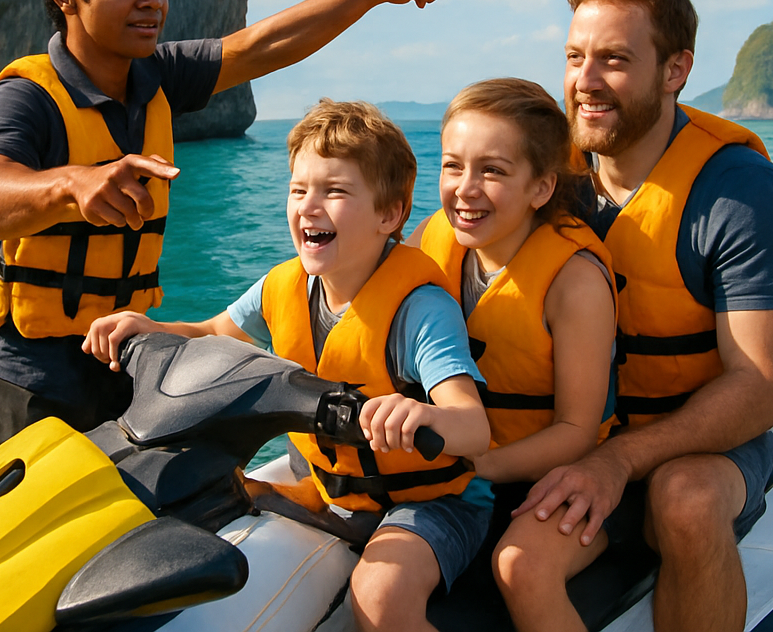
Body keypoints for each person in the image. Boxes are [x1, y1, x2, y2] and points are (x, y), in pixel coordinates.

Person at [0, 0, 468, 448]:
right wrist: (73, 184)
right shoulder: (23, 99)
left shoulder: (158, 76)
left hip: (127, 351)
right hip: (34, 369)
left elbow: (264, 45)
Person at [84, 100, 492, 632]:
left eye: (335, 191)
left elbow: (474, 427)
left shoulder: (421, 310)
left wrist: (418, 415)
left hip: (431, 502)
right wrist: (151, 329)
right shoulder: (284, 286)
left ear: (389, 215)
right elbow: (212, 334)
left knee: (382, 601)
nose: (309, 206)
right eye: (299, 190)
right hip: (326, 484)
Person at [492, 0, 773, 632]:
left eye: (614, 60)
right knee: (519, 561)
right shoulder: (547, 176)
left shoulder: (741, 195)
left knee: (683, 500)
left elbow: (764, 387)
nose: (586, 80)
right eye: (576, 58)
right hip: (576, 434)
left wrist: (618, 460)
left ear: (674, 70)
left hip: (705, 437)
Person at [409, 78, 616, 521]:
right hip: (442, 467)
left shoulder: (574, 283)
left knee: (519, 568)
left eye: (493, 170)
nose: (466, 188)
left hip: (536, 479)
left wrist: (476, 466)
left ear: (540, 188)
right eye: (452, 166)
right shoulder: (430, 238)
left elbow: (576, 430)